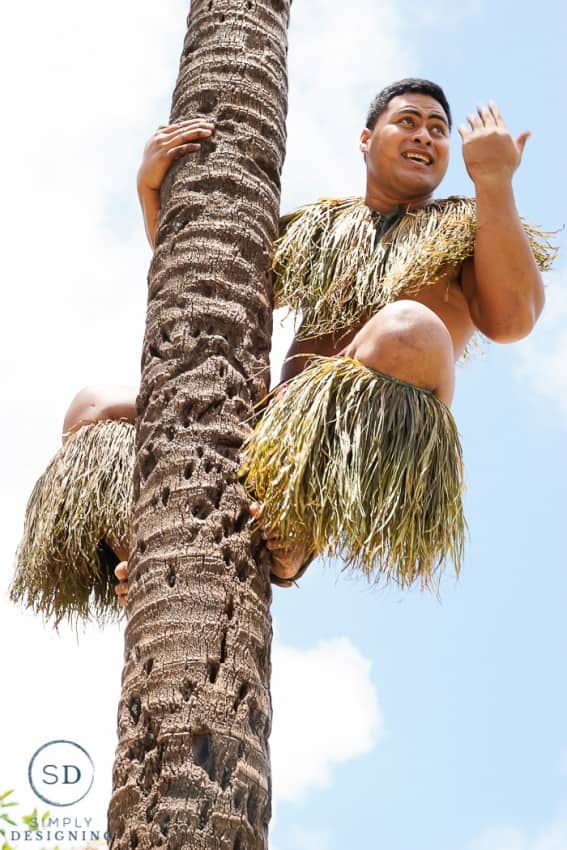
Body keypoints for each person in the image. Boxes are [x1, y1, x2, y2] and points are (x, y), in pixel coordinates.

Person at [14, 79, 554, 620]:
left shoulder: (465, 227)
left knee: (410, 330)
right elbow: (211, 282)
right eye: (408, 121)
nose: (425, 137)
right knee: (91, 404)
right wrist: (151, 190)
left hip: (335, 451)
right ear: (366, 139)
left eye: (438, 130)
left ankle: (297, 527)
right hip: (264, 427)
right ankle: (146, 552)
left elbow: (513, 319)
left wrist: (494, 180)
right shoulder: (320, 228)